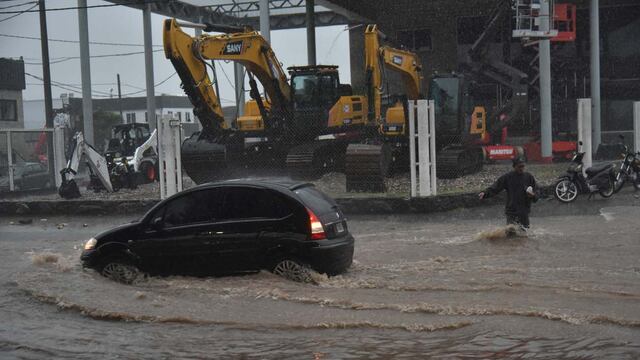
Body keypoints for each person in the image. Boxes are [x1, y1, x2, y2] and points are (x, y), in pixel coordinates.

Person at [478, 157, 538, 230]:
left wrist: (533, 195)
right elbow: (496, 187)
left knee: (524, 234)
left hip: (524, 211)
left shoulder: (529, 177)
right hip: (511, 211)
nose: (521, 168)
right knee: (510, 233)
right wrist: (485, 193)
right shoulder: (508, 177)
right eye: (519, 167)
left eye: (523, 166)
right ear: (514, 166)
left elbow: (536, 193)